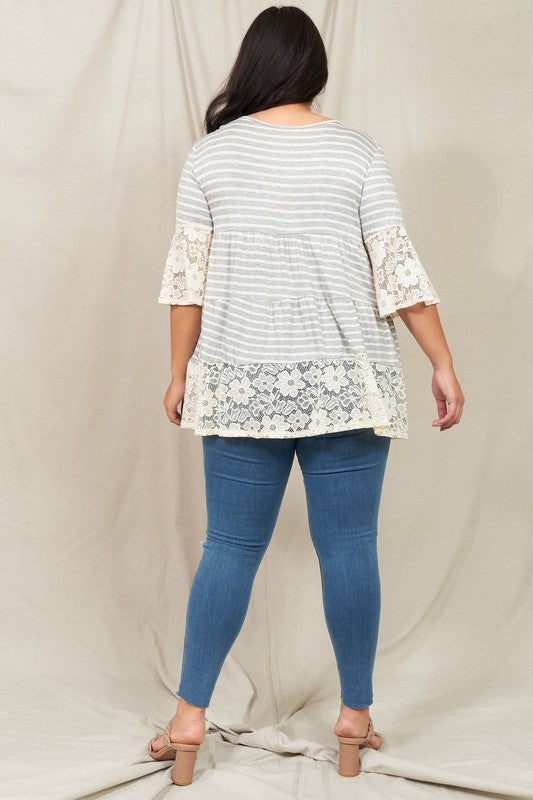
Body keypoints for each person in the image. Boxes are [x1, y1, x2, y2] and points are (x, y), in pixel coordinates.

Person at [148, 4, 464, 785]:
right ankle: (353, 717)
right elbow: (394, 267)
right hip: (346, 381)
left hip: (241, 378)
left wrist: (180, 372)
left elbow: (188, 283)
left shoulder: (210, 156)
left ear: (250, 68)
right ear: (313, 70)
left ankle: (188, 720)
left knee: (229, 547)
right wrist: (442, 363)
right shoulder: (354, 150)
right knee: (349, 548)